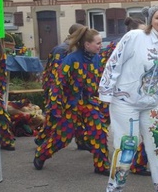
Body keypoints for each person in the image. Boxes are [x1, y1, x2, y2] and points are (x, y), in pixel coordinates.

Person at [99, 5, 158, 192]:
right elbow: (115, 62)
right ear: (150, 20)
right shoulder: (134, 37)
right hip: (126, 103)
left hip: (152, 105)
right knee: (127, 146)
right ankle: (113, 190)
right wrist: (106, 92)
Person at [33, 26, 109, 174]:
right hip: (71, 105)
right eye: (98, 43)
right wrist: (55, 106)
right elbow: (58, 84)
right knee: (63, 137)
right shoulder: (71, 59)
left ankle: (101, 166)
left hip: (89, 103)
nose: (101, 46)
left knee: (99, 132)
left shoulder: (97, 59)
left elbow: (100, 81)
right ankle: (41, 154)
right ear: (87, 44)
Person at [36, 23, 90, 151]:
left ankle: (81, 141)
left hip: (72, 90)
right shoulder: (62, 50)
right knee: (54, 116)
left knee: (77, 115)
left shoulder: (75, 49)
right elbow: (56, 73)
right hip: (59, 89)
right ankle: (42, 139)